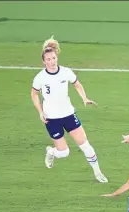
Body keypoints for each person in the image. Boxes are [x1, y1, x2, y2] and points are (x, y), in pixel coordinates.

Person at [30, 36, 108, 183]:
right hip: (51, 119)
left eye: (53, 58)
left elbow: (77, 84)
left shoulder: (66, 72)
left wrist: (84, 98)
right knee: (64, 152)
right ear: (43, 61)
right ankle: (51, 152)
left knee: (85, 145)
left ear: (56, 57)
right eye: (48, 59)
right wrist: (40, 112)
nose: (52, 61)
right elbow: (34, 94)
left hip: (69, 115)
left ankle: (98, 173)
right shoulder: (40, 78)